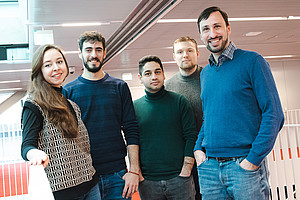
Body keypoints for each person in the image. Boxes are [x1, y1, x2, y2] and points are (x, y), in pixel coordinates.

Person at [194, 6, 285, 200]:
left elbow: (274, 114)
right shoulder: (205, 73)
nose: (212, 34)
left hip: (244, 167)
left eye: (217, 26)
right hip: (209, 169)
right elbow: (208, 117)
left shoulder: (252, 61)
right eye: (206, 29)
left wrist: (253, 160)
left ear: (228, 28)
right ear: (201, 35)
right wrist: (197, 149)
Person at [63, 31, 140, 200]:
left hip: (117, 175)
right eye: (88, 50)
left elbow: (131, 129)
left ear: (105, 53)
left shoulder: (120, 87)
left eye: (98, 50)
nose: (93, 55)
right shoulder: (68, 91)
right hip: (84, 179)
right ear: (80, 53)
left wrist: (134, 170)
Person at [21, 44, 100, 200]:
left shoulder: (72, 105)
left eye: (59, 62)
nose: (56, 67)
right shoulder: (34, 105)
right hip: (62, 191)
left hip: (90, 184)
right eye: (48, 65)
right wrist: (34, 153)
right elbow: (26, 146)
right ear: (39, 71)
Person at [134, 55, 198, 200]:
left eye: (157, 72)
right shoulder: (135, 107)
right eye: (148, 73)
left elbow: (191, 136)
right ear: (140, 78)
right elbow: (133, 142)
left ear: (163, 74)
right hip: (148, 182)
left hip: (180, 179)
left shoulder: (180, 102)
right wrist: (139, 174)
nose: (154, 77)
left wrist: (186, 171)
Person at [165, 36, 203, 200]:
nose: (185, 55)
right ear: (174, 56)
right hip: (183, 157)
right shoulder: (168, 87)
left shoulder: (209, 77)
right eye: (180, 52)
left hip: (210, 154)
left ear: (197, 53)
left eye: (189, 50)